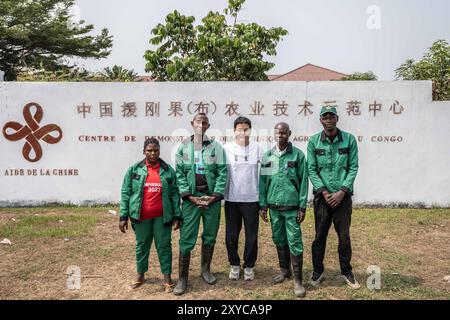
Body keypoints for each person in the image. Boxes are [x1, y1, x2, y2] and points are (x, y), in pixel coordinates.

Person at [173, 113, 228, 295]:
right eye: (198, 121)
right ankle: (183, 279)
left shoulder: (216, 148)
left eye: (204, 122)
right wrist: (189, 196)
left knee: (210, 236)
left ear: (208, 125)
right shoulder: (183, 148)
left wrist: (214, 196)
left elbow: (222, 172)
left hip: (210, 200)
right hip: (191, 202)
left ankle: (205, 270)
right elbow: (179, 174)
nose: (201, 125)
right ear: (192, 124)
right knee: (187, 239)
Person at [307, 105, 360, 289]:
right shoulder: (314, 141)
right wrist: (325, 192)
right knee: (319, 236)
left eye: (331, 116)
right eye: (325, 117)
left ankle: (346, 271)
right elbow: (312, 169)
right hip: (323, 198)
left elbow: (353, 167)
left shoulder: (349, 140)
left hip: (342, 198)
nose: (328, 120)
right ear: (320, 120)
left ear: (337, 119)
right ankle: (317, 271)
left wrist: (342, 191)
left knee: (344, 237)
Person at [119, 137, 181, 291]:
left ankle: (167, 277)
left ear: (159, 151)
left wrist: (177, 215)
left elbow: (174, 194)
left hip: (162, 217)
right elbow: (126, 193)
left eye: (156, 150)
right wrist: (123, 216)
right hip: (141, 217)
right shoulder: (134, 169)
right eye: (149, 150)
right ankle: (140, 275)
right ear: (144, 151)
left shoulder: (168, 170)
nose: (153, 153)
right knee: (142, 245)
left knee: (164, 246)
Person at [259, 122, 308, 298]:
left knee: (294, 240)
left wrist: (302, 206)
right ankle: (284, 270)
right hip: (274, 208)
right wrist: (263, 204)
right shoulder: (268, 156)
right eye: (278, 133)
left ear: (289, 134)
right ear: (274, 134)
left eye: (284, 133)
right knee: (278, 238)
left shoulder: (298, 156)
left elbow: (303, 183)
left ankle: (298, 281)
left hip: (292, 208)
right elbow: (263, 182)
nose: (280, 135)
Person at [223, 116, 264, 281]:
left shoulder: (258, 149)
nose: (243, 132)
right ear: (234, 131)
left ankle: (248, 266)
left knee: (251, 235)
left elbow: (267, 172)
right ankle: (234, 264)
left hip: (252, 199)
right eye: (239, 129)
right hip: (232, 199)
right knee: (231, 235)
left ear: (250, 130)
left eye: (246, 129)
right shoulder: (226, 148)